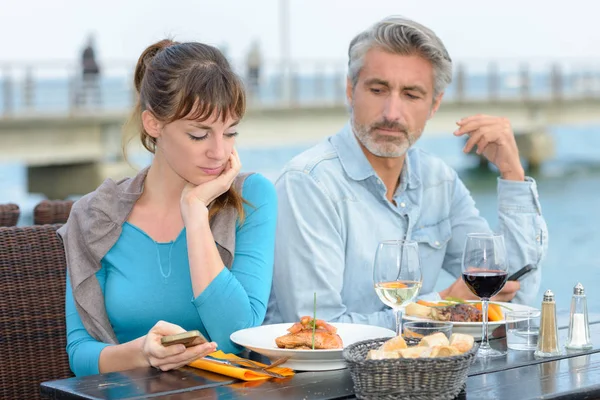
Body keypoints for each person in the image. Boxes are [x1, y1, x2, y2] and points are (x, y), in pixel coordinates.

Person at [265, 16, 548, 330]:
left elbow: (514, 289)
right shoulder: (309, 184)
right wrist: (440, 306)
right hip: (320, 380)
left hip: (419, 375)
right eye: (378, 89)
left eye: (412, 95)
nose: (392, 114)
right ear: (350, 90)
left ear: (434, 104)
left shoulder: (439, 181)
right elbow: (316, 331)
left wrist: (512, 174)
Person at [60, 39, 277, 377]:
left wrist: (195, 213)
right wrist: (142, 352)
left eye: (230, 132)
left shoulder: (252, 197)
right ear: (153, 125)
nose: (219, 152)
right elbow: (80, 354)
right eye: (198, 135)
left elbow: (237, 335)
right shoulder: (94, 216)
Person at [79, 34, 101, 107]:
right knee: (87, 91)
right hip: (87, 74)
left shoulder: (92, 50)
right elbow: (84, 62)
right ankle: (86, 106)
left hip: (92, 74)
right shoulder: (85, 51)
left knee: (92, 91)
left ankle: (92, 106)